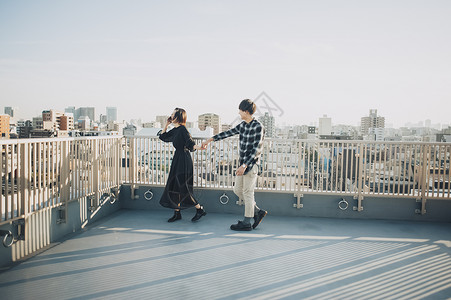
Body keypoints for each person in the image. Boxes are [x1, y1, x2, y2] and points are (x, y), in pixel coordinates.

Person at [202, 99, 267, 231]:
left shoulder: (258, 126)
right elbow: (228, 133)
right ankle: (257, 211)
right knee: (237, 190)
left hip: (251, 165)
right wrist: (211, 139)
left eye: (240, 110)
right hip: (241, 164)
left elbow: (256, 149)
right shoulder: (243, 125)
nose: (238, 112)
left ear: (246, 111)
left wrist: (245, 165)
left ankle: (247, 222)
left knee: (248, 193)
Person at [158, 108, 207, 222]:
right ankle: (177, 212)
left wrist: (200, 147)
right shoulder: (175, 130)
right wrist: (166, 124)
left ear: (178, 117)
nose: (170, 115)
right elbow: (163, 136)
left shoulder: (183, 130)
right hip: (177, 158)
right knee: (175, 185)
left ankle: (199, 209)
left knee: (183, 187)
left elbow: (190, 143)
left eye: (173, 114)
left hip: (184, 160)